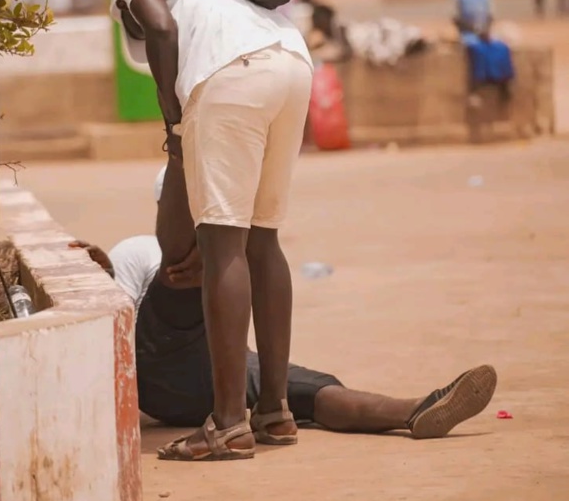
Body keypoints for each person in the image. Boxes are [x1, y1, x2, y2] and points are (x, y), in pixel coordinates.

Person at [72, 163, 498, 442]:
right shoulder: (137, 250)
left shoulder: (231, 256)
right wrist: (106, 282)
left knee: (311, 392)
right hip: (163, 363)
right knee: (184, 272)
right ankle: (195, 267)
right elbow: (121, 344)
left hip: (220, 371)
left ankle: (414, 411)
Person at [107, 0, 314, 461]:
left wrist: (172, 114)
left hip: (228, 72)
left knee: (223, 245)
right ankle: (275, 411)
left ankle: (226, 424)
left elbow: (159, 26)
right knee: (262, 240)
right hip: (291, 59)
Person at [452, 0, 514, 104]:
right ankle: (475, 89)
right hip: (468, 34)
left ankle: (503, 84)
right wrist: (475, 30)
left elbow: (490, 15)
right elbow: (456, 19)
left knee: (501, 48)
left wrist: (485, 29)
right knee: (477, 50)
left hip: (485, 32)